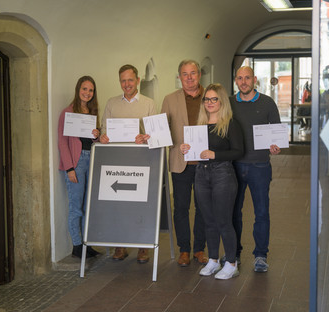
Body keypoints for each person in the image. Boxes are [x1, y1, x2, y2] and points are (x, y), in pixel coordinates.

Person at [180, 83, 243, 279]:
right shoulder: (199, 126)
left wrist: (215, 154)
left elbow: (239, 151)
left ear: (221, 101)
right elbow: (195, 151)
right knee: (209, 221)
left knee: (224, 220)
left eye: (214, 99)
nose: (209, 102)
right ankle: (213, 260)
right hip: (201, 173)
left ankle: (231, 263)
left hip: (222, 174)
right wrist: (185, 149)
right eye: (206, 99)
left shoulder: (230, 123)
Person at [100, 64, 156, 263]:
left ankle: (142, 247)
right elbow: (103, 131)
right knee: (119, 205)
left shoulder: (149, 103)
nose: (127, 84)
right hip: (117, 163)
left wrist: (145, 137)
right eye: (123, 80)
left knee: (141, 205)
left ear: (138, 80)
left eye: (130, 80)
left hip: (141, 163)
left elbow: (154, 134)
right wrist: (103, 137)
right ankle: (120, 246)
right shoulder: (111, 103)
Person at [228, 66, 281, 273]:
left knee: (261, 212)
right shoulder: (230, 103)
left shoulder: (267, 103)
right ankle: (235, 253)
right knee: (234, 212)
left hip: (260, 165)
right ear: (236, 81)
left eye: (247, 78)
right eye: (240, 78)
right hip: (234, 165)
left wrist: (275, 146)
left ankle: (260, 255)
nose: (243, 82)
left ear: (254, 79)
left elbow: (276, 133)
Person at [161, 59, 207, 266]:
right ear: (179, 77)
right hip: (180, 162)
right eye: (185, 74)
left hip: (205, 163)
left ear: (199, 75)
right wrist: (175, 145)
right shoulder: (170, 99)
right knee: (180, 207)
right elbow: (163, 132)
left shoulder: (211, 96)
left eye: (193, 73)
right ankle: (184, 250)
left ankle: (199, 249)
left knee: (203, 207)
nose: (189, 78)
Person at [58, 75, 101, 259]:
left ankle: (87, 244)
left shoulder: (92, 113)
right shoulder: (67, 113)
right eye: (84, 89)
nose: (87, 93)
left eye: (90, 90)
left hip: (91, 159)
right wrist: (69, 168)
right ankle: (77, 245)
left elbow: (94, 141)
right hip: (76, 164)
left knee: (88, 205)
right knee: (76, 207)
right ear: (78, 90)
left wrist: (97, 134)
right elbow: (62, 142)